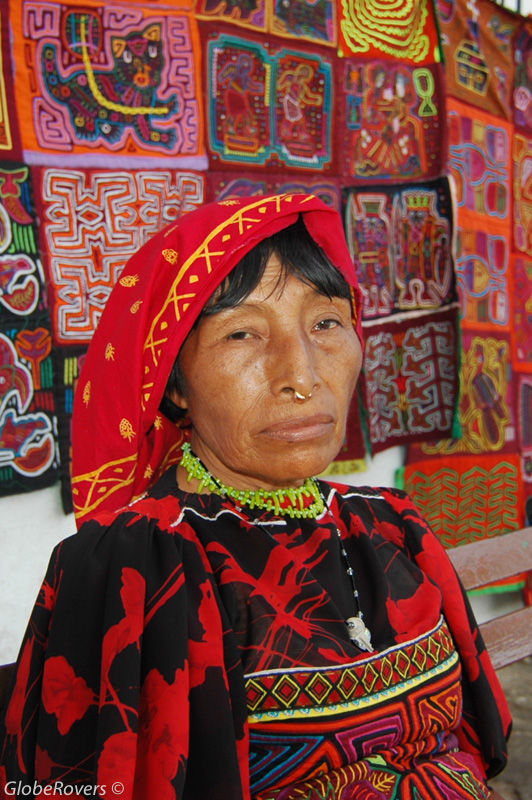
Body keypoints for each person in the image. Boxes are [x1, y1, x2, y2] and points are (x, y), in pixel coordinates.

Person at [0, 194, 511, 799]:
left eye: (326, 323)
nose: (301, 374)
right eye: (242, 333)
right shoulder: (141, 566)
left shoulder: (392, 525)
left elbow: (480, 739)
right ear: (175, 383)